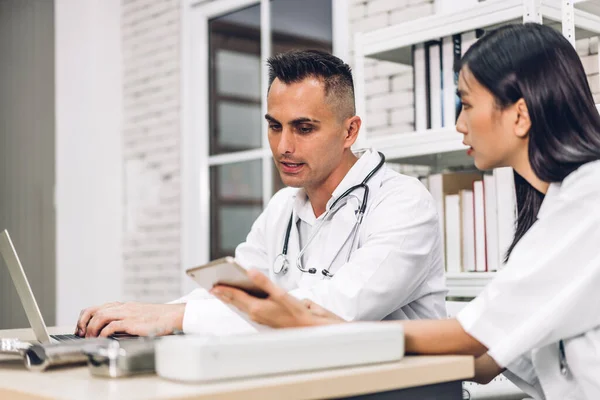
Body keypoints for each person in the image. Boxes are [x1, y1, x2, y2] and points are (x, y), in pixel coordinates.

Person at [210, 23, 600, 399]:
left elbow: (472, 337)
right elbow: (484, 361)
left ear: (519, 115)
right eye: (275, 127)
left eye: (466, 104)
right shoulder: (557, 205)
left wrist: (310, 323)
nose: (458, 123)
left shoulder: (590, 197)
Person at [75, 50, 447, 338]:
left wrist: (176, 317)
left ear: (350, 132)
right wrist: (146, 317)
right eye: (274, 126)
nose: (283, 146)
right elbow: (233, 293)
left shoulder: (403, 204)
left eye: (304, 128)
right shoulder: (283, 206)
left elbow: (334, 311)